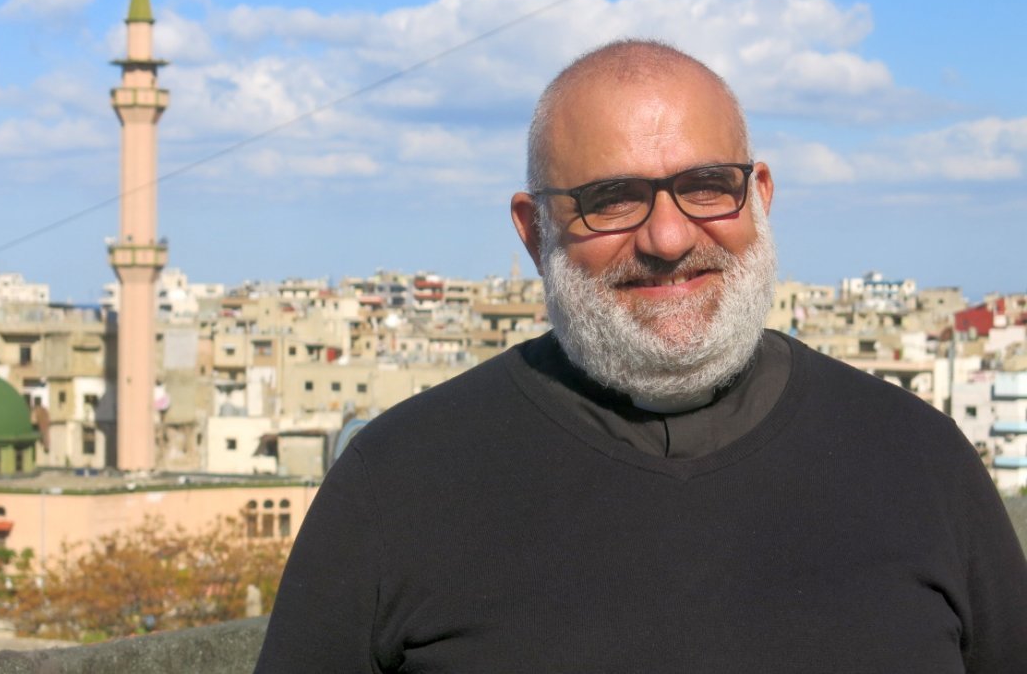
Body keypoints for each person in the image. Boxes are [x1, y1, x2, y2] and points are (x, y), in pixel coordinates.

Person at [254, 40, 1027, 672]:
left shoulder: (917, 460)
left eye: (706, 186)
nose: (667, 238)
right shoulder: (398, 484)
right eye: (613, 198)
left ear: (758, 195)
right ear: (534, 231)